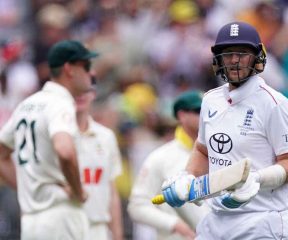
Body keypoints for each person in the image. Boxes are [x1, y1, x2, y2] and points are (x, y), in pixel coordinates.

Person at [161, 22, 288, 239]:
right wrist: (186, 177)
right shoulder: (210, 100)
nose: (235, 60)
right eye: (228, 54)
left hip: (261, 220)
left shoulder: (275, 103)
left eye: (242, 53)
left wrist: (256, 179)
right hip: (216, 218)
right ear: (218, 59)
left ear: (257, 57)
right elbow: (202, 150)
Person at [0, 39, 97, 240]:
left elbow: (1, 155)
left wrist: (30, 187)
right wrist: (78, 190)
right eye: (86, 66)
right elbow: (65, 150)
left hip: (32, 221)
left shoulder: (27, 105)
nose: (91, 73)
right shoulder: (60, 104)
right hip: (61, 216)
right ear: (69, 69)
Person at [128, 90, 209, 240]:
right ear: (182, 115)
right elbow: (137, 206)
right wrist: (175, 224)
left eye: (209, 110)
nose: (205, 116)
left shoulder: (221, 152)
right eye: (199, 111)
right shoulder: (161, 157)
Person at [74, 86, 124, 240]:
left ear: (93, 94)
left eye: (85, 90)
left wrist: (117, 235)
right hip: (65, 226)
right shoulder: (56, 135)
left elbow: (111, 191)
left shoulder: (106, 136)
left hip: (97, 228)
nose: (80, 95)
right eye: (75, 90)